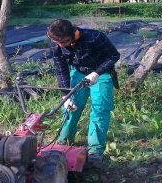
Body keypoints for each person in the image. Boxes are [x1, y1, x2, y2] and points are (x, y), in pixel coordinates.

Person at [47, 18, 120, 167]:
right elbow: (61, 69)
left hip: (100, 74)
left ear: (74, 33)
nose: (61, 45)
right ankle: (64, 140)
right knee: (70, 107)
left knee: (100, 110)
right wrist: (64, 95)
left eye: (65, 41)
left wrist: (97, 73)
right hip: (79, 73)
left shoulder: (95, 37)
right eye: (58, 43)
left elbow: (113, 55)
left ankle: (95, 150)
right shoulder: (57, 45)